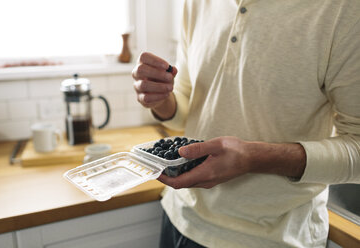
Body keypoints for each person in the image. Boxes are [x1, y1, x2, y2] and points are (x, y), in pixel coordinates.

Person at [132, 1, 360, 247]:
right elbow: (189, 102)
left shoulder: (344, 9)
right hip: (180, 216)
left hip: (271, 239)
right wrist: (162, 100)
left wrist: (255, 157)